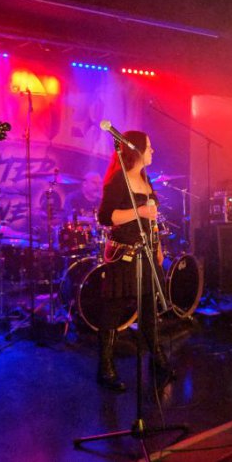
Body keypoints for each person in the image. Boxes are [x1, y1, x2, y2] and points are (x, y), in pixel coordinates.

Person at [95, 131, 173, 391]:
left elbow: (151, 219)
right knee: (113, 310)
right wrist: (138, 211)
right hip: (124, 254)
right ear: (136, 150)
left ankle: (158, 359)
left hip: (147, 252)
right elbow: (105, 216)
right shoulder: (119, 179)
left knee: (150, 308)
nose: (153, 151)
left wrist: (158, 247)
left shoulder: (145, 178)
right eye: (149, 146)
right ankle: (105, 368)